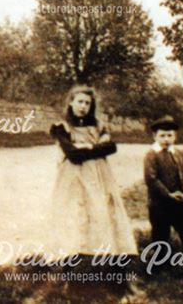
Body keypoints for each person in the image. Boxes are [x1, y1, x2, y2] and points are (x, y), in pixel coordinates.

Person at [49, 85, 138, 257]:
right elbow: (72, 154)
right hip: (73, 177)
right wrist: (96, 148)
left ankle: (107, 262)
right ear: (71, 102)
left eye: (87, 103)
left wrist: (86, 148)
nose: (83, 106)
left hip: (99, 177)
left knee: (101, 212)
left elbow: (111, 147)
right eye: (80, 102)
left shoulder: (98, 126)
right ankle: (71, 266)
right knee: (75, 214)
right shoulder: (61, 127)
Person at [143, 115, 183, 250]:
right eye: (162, 136)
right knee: (160, 234)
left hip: (179, 201)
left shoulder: (178, 153)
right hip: (159, 203)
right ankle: (159, 264)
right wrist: (168, 194)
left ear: (175, 136)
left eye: (169, 135)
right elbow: (151, 179)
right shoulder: (152, 155)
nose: (166, 139)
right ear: (154, 136)